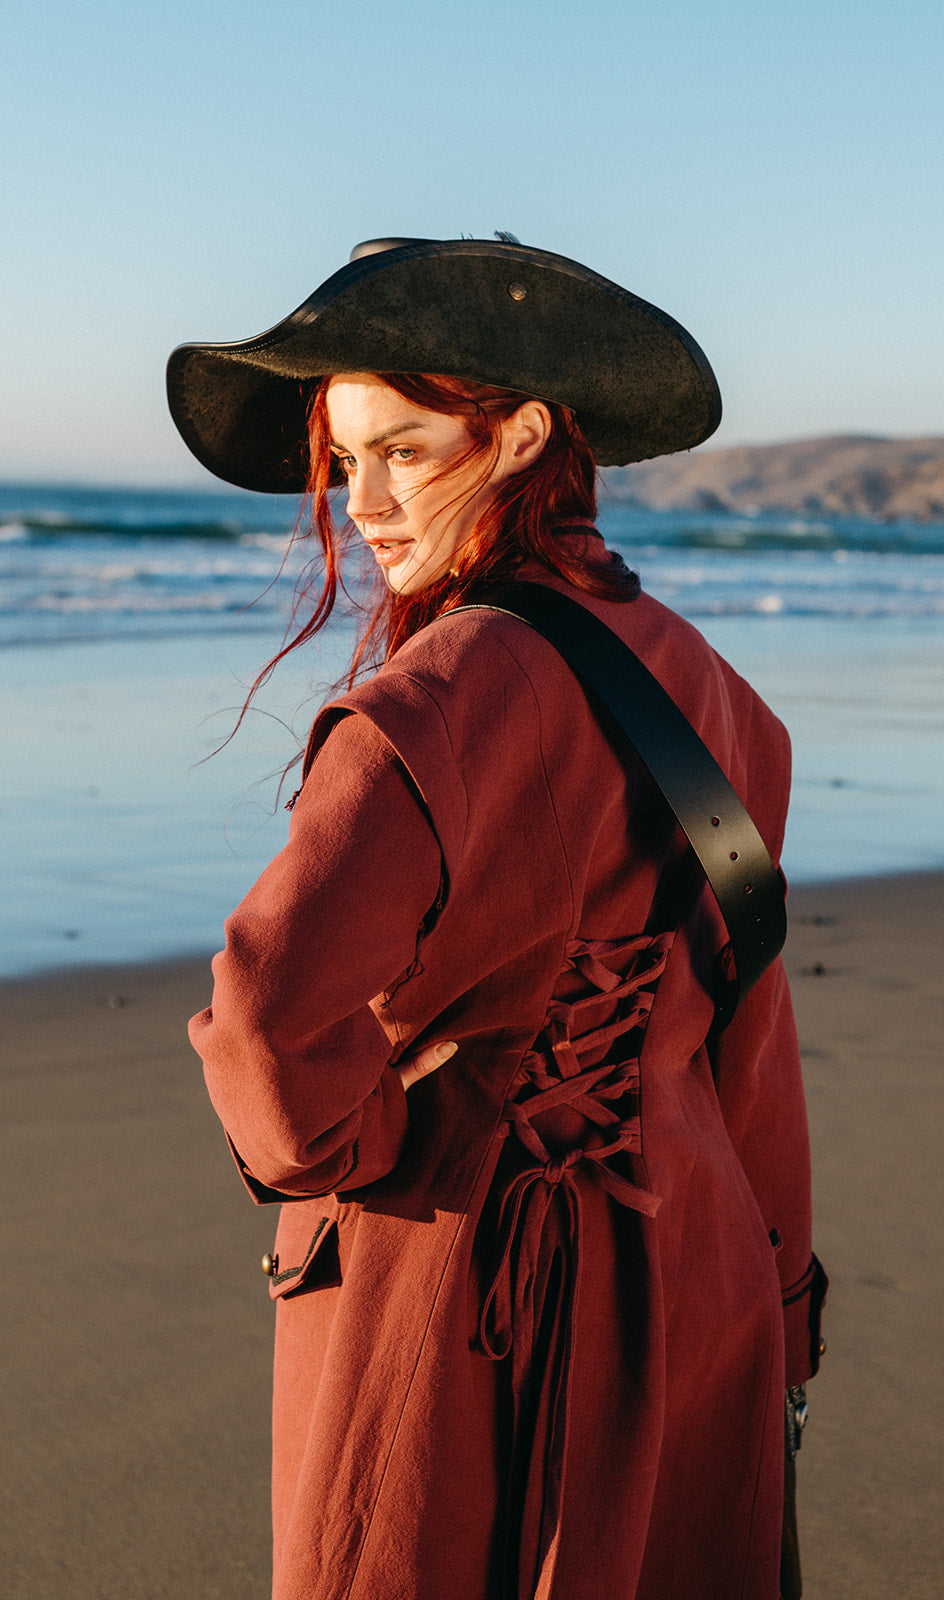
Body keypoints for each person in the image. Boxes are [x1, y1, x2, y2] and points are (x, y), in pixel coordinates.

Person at [168, 235, 826, 1600]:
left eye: (403, 451)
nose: (365, 503)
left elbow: (267, 1006)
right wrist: (782, 1302)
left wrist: (368, 1149)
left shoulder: (438, 696)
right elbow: (749, 1042)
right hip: (693, 1264)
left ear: (522, 432)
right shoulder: (716, 692)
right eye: (345, 460)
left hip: (460, 1283)